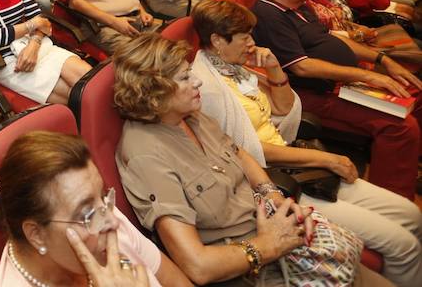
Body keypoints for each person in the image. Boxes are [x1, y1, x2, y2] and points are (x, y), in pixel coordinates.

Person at [113, 33, 389, 286]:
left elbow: (236, 152)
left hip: (267, 227)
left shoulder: (188, 115)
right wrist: (269, 244)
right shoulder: (146, 155)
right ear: (154, 90)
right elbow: (197, 266)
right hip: (249, 265)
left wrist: (272, 195)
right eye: (185, 78)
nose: (196, 80)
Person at [191, 0, 422, 287]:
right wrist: (327, 159)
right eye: (244, 37)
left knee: (412, 214)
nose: (252, 42)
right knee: (404, 246)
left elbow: (285, 111)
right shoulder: (206, 87)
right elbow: (247, 154)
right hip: (277, 181)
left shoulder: (235, 67)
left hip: (295, 159)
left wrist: (275, 70)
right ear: (216, 40)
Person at [252, 0, 422, 199]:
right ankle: (394, 198)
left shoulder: (299, 5)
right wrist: (366, 75)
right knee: (401, 126)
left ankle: (408, 165)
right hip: (311, 94)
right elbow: (303, 67)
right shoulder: (269, 15)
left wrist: (382, 60)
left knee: (414, 89)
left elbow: (333, 38)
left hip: (338, 84)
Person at [0, 131, 190, 287]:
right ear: (37, 235)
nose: (114, 221)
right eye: (87, 214)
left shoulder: (104, 216)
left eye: (103, 196)